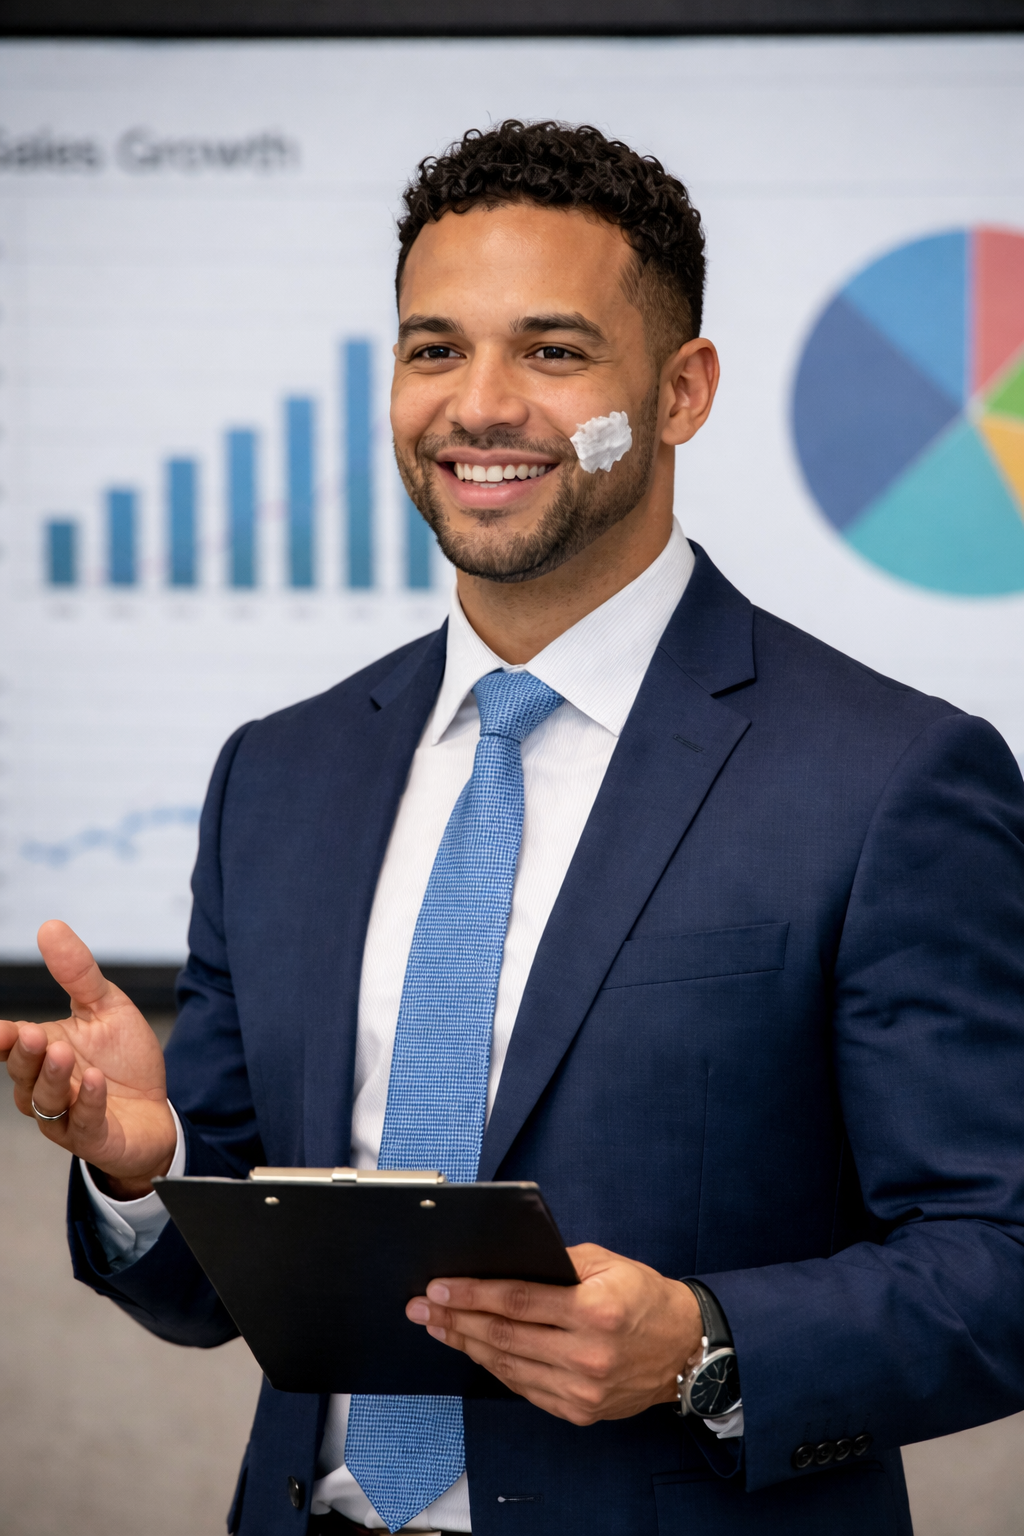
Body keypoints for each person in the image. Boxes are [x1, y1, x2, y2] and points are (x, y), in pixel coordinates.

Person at [4, 119, 1024, 1536]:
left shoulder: (894, 776)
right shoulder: (278, 777)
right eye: (434, 349)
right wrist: (145, 1164)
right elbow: (210, 1289)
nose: (480, 406)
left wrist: (711, 1345)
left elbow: (1001, 1256)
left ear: (680, 392)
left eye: (552, 353)